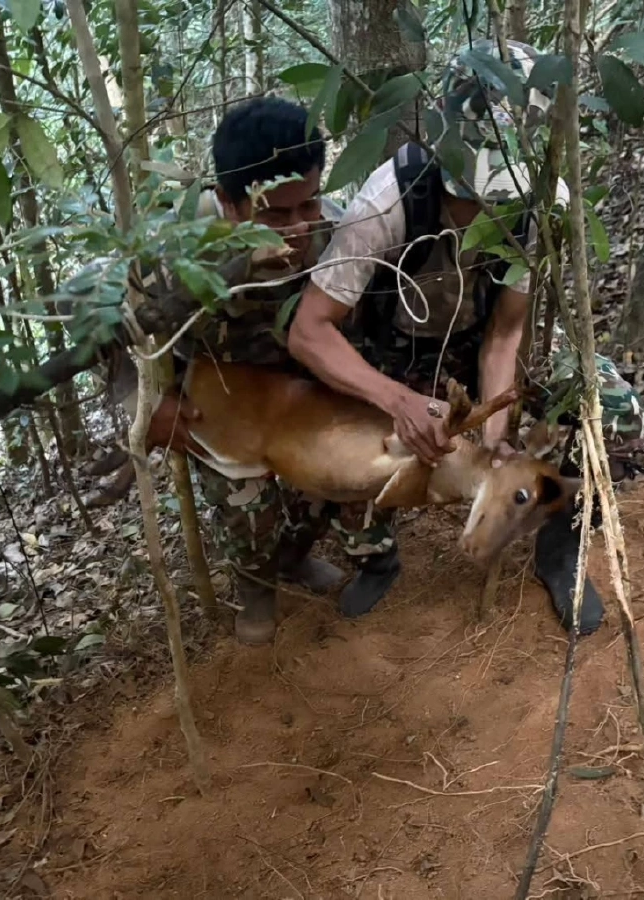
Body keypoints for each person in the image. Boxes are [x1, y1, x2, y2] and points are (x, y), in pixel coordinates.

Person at [287, 40, 644, 636]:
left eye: (494, 195)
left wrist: (494, 440)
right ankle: (375, 556)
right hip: (394, 355)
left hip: (481, 346)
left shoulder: (544, 208)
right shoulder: (386, 201)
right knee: (344, 444)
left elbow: (506, 334)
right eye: (465, 191)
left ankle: (561, 551)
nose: (478, 207)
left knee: (613, 409)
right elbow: (310, 331)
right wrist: (397, 400)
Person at [136, 95, 398, 646]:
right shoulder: (172, 253)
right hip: (225, 402)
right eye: (276, 214)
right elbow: (110, 338)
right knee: (246, 508)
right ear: (228, 202)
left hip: (307, 393)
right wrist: (144, 411)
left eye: (310, 204)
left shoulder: (336, 232)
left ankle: (296, 556)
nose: (300, 226)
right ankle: (258, 584)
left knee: (338, 474)